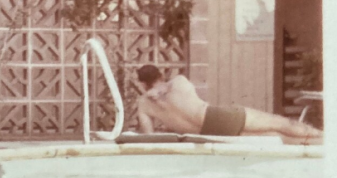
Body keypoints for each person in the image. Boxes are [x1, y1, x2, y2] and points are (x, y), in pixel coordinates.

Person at [135, 65, 323, 145]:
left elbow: (148, 136)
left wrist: (149, 95)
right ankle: (324, 138)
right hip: (217, 117)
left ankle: (319, 141)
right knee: (280, 124)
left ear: (143, 83)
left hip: (205, 132)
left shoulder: (144, 104)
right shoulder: (177, 81)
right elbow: (164, 88)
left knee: (275, 136)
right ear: (160, 75)